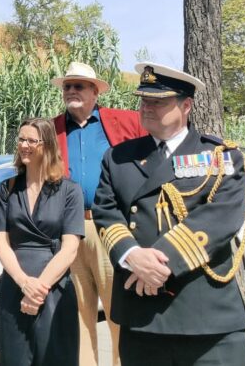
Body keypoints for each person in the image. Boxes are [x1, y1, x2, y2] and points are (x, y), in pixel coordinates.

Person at [93, 62, 245, 366]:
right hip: (141, 313)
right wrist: (132, 257)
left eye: (158, 101)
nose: (147, 107)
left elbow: (220, 218)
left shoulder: (220, 156)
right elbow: (106, 212)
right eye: (144, 100)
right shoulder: (118, 158)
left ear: (186, 105)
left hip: (206, 314)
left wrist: (159, 264)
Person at [51, 61, 144, 366]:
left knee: (119, 309)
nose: (72, 91)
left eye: (79, 86)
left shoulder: (122, 121)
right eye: (67, 86)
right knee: (77, 314)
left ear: (94, 91)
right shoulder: (52, 129)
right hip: (68, 230)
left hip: (109, 226)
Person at [0, 117, 85, 366]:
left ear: (47, 145)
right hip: (14, 287)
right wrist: (24, 284)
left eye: (31, 140)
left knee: (56, 358)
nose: (24, 145)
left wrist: (38, 289)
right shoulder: (7, 188)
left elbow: (70, 247)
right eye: (21, 139)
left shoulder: (70, 190)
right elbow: (1, 240)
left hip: (54, 290)